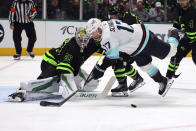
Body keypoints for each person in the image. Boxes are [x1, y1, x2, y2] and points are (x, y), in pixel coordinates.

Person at [86, 18, 182, 97]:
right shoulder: (105, 23)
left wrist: (101, 68)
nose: (93, 36)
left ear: (99, 29)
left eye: (93, 33)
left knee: (171, 52)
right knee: (145, 67)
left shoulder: (107, 36)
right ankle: (162, 81)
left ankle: (175, 33)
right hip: (135, 46)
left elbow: (112, 57)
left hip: (145, 40)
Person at [7, 27, 102, 102]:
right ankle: (23, 90)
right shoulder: (71, 46)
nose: (83, 42)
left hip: (69, 66)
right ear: (76, 37)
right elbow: (63, 68)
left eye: (85, 40)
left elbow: (105, 48)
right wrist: (69, 87)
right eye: (80, 39)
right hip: (52, 62)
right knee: (52, 83)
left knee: (90, 85)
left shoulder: (91, 44)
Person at [107, 4, 145, 96]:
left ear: (120, 14)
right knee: (122, 63)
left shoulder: (129, 20)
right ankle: (137, 79)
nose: (112, 18)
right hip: (132, 44)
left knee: (119, 62)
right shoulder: (121, 17)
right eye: (111, 16)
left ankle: (122, 86)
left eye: (114, 16)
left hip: (136, 45)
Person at [166, 0, 196, 79]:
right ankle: (168, 78)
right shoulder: (178, 10)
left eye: (183, 0)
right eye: (180, 0)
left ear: (188, 1)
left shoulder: (193, 12)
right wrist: (173, 32)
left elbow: (191, 33)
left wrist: (180, 33)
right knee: (175, 57)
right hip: (187, 38)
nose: (181, 2)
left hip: (193, 39)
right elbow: (176, 24)